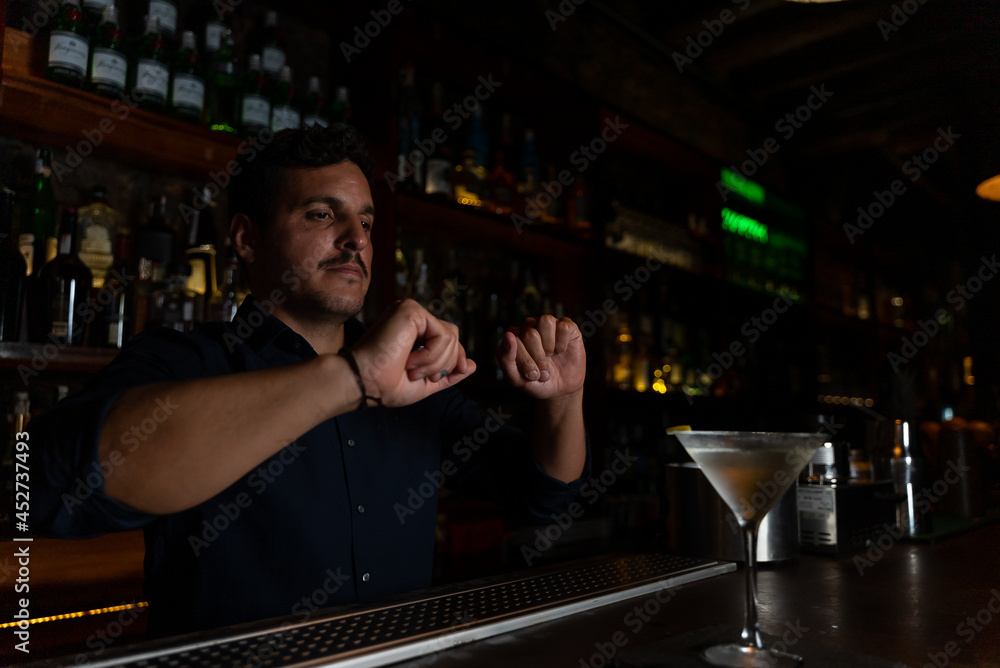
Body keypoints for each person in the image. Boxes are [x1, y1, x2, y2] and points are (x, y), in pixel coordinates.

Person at [30, 126, 589, 638]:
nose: (356, 240)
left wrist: (563, 400)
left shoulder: (415, 383)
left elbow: (543, 495)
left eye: (366, 222)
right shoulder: (186, 362)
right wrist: (352, 378)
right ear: (247, 239)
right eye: (322, 215)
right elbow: (48, 483)